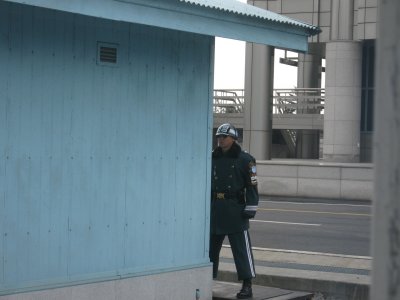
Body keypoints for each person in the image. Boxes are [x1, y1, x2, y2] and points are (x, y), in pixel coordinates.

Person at [210, 123, 259, 299]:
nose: (220, 140)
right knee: (209, 250)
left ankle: (247, 285)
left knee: (241, 250)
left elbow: (252, 187)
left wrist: (250, 208)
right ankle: (207, 279)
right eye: (218, 137)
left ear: (233, 139)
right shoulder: (212, 158)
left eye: (224, 137)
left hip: (235, 210)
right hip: (215, 209)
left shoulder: (246, 160)